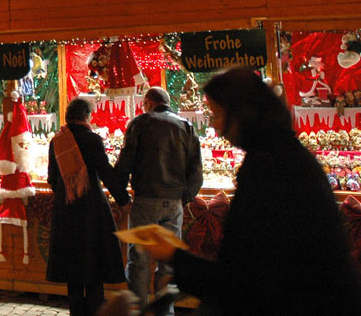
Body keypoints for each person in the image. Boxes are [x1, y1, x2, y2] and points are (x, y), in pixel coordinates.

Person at [144, 67, 361, 315]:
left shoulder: (270, 168)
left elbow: (249, 278)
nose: (215, 126)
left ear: (240, 114)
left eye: (217, 114)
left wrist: (175, 257)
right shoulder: (281, 155)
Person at [115, 86, 202, 316]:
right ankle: (166, 312)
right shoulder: (186, 126)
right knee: (169, 262)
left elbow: (126, 162)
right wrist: (184, 198)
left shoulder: (140, 123)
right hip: (173, 203)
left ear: (148, 102)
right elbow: (196, 171)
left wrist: (120, 195)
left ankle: (139, 311)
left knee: (140, 261)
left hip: (145, 200)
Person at [47, 97, 131, 316]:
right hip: (92, 211)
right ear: (86, 116)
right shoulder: (92, 140)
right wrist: (123, 199)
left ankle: (76, 312)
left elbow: (52, 179)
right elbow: (105, 172)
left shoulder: (57, 140)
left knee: (73, 268)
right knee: (93, 265)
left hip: (66, 210)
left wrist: (67, 193)